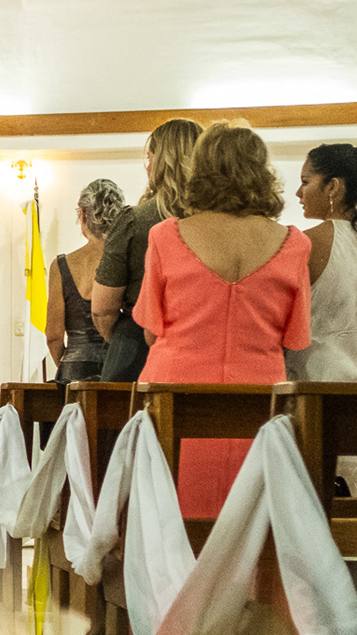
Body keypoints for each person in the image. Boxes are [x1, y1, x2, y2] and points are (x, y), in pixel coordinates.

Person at [133, 123, 311, 518]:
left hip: (175, 395)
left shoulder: (166, 236)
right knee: (250, 521)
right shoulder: (295, 244)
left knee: (170, 518)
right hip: (260, 399)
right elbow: (295, 338)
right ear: (261, 171)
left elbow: (150, 329)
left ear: (200, 170)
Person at [92, 118, 203, 381]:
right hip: (201, 345)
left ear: (161, 162)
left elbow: (102, 308)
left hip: (136, 348)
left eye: (150, 158)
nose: (147, 166)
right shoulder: (217, 221)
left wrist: (120, 338)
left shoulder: (135, 220)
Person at [287, 143, 357, 383]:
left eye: (305, 182)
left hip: (320, 381)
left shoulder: (306, 243)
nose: (298, 193)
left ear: (332, 186)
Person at [45, 178, 123, 385]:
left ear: (83, 214)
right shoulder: (127, 260)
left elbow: (53, 336)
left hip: (74, 368)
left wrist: (66, 369)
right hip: (117, 367)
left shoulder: (61, 266)